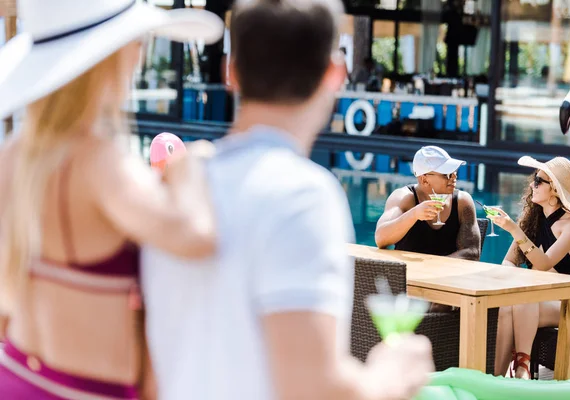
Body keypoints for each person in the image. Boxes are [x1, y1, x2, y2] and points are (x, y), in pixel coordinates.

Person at [142, 0, 434, 399]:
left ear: (231, 71)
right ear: (335, 74)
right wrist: (393, 374)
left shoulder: (173, 191)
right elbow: (312, 387)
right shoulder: (302, 196)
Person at [0, 1, 223, 398]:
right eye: (135, 41)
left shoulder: (14, 158)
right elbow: (195, 235)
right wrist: (187, 168)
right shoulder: (101, 163)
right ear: (111, 57)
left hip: (15, 377)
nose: (139, 52)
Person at [492, 156, 570, 379]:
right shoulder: (532, 217)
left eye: (538, 181)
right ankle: (497, 377)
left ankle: (522, 367)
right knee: (507, 305)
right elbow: (508, 260)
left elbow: (544, 264)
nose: (532, 185)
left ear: (554, 188)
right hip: (533, 297)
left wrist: (514, 230)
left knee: (523, 300)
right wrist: (517, 276)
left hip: (566, 302)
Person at [375, 146, 480, 261]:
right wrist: (414, 214)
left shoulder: (462, 201)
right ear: (424, 179)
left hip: (447, 276)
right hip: (406, 275)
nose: (454, 177)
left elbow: (472, 252)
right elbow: (380, 239)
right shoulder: (404, 198)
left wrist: (433, 266)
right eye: (446, 174)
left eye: (454, 172)